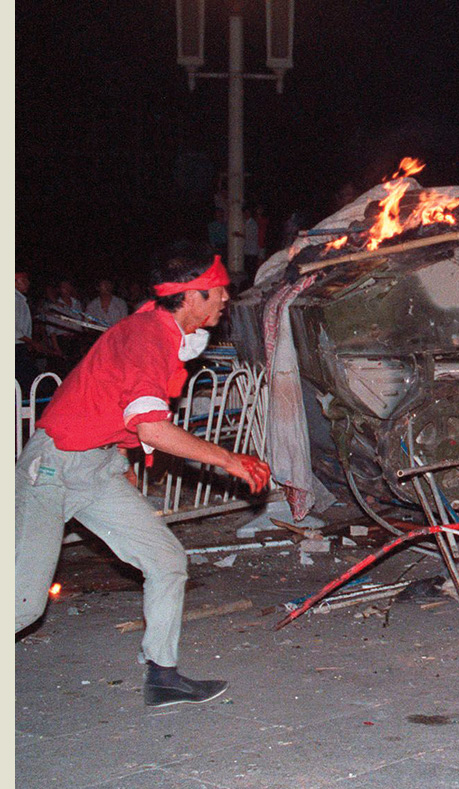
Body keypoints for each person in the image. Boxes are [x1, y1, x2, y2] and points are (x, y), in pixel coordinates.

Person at [15, 243, 272, 707]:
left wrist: (124, 462)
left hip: (96, 466)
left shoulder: (162, 331)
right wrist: (230, 459)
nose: (225, 300)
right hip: (53, 468)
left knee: (166, 562)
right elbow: (152, 425)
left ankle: (163, 674)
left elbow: (125, 414)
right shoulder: (148, 336)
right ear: (191, 296)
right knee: (22, 604)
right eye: (218, 292)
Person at [15, 268, 40, 395]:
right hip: (15, 347)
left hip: (20, 345)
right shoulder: (14, 299)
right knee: (25, 382)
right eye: (23, 280)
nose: (27, 283)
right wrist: (31, 342)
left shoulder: (20, 299)